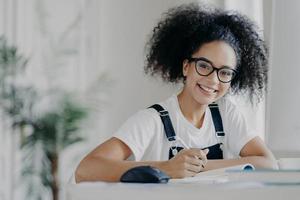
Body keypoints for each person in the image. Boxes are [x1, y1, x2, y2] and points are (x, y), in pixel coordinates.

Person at [75, 3, 278, 183]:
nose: (213, 80)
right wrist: (166, 168)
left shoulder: (226, 113)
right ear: (186, 67)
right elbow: (86, 169)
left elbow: (268, 163)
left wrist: (198, 167)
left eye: (224, 72)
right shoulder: (152, 120)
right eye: (204, 66)